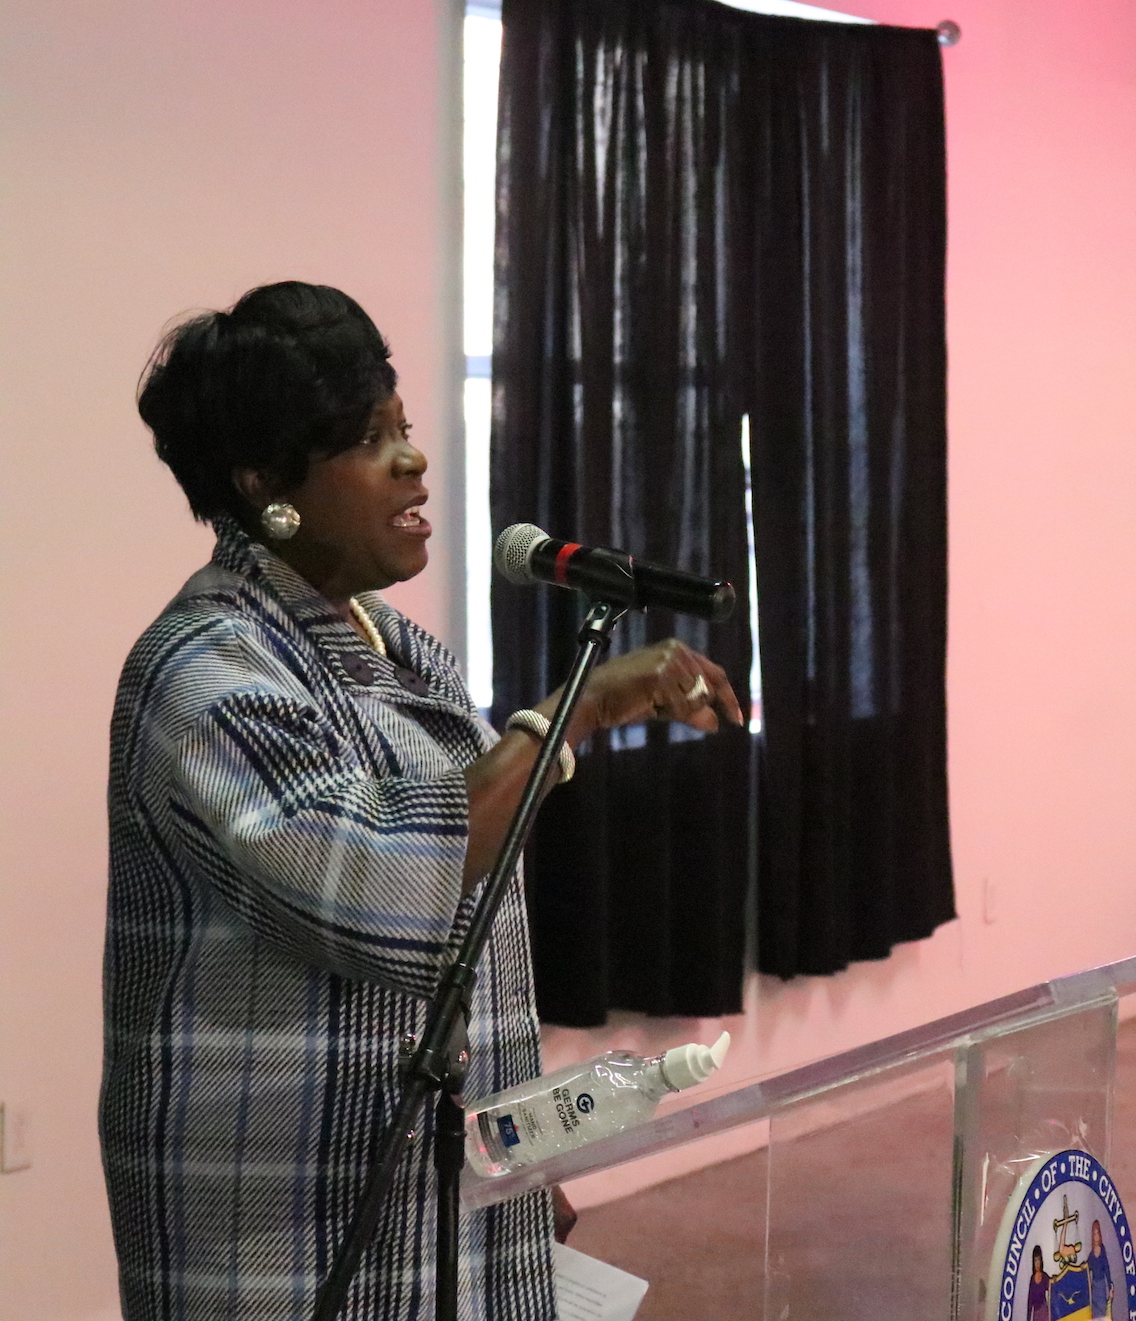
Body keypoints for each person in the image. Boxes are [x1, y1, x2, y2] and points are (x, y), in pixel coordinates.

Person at [101, 282, 741, 1321]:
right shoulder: (209, 671)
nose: (414, 459)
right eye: (367, 438)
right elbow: (384, 887)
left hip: (433, 1187)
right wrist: (572, 711)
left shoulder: (401, 652)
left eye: (402, 426)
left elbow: (463, 944)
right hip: (282, 1215)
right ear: (265, 480)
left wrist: (517, 1147)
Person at [1087, 1220, 1114, 1318]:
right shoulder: (1091, 1255)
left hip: (1102, 1286)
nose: (1096, 1236)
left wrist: (1110, 1285)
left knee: (1103, 1312)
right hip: (1094, 1289)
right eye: (1094, 1234)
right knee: (1095, 1315)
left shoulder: (1102, 1250)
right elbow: (1086, 1269)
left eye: (1097, 1233)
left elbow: (1106, 1268)